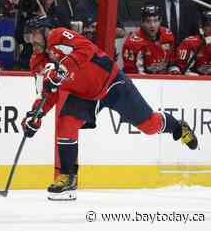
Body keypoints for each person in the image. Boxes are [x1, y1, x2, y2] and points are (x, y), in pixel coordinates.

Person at [21, 16, 198, 201]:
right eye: (28, 36)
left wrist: (62, 70)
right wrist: (35, 116)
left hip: (111, 82)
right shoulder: (37, 61)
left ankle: (178, 127)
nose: (32, 41)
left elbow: (86, 48)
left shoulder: (59, 35)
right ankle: (67, 178)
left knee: (150, 125)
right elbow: (47, 94)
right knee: (66, 124)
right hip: (83, 95)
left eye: (34, 35)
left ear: (45, 31)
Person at [122, 4, 178, 74]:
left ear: (160, 20)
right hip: (142, 80)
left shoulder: (168, 35)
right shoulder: (132, 43)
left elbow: (172, 61)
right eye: (148, 21)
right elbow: (132, 73)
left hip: (164, 80)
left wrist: (173, 70)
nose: (152, 25)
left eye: (155, 20)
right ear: (142, 22)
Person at [174, 10, 211, 75]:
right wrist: (190, 75)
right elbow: (180, 68)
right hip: (195, 81)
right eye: (208, 25)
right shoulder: (188, 43)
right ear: (201, 26)